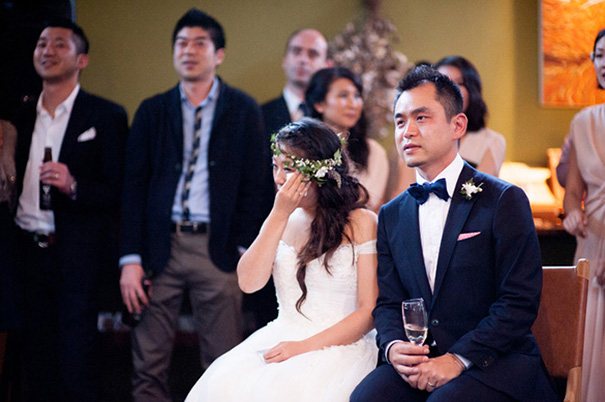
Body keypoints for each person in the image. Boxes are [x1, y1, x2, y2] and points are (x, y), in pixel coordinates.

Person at [351, 66, 558, 402]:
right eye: (400, 121)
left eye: (421, 118)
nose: (407, 131)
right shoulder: (391, 215)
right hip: (423, 359)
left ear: (457, 125)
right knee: (367, 397)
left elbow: (518, 301)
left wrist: (458, 359)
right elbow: (389, 301)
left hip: (495, 360)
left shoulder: (503, 200)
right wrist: (393, 347)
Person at [118, 9, 268, 401]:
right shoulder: (152, 110)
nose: (189, 51)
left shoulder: (243, 109)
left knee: (222, 364)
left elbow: (256, 185)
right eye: (181, 43)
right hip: (158, 247)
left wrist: (242, 247)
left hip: (218, 248)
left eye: (200, 43)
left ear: (219, 54)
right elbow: (133, 187)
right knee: (147, 364)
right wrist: (130, 258)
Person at [185, 118, 379, 401]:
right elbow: (249, 283)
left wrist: (303, 347)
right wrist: (278, 215)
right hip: (282, 335)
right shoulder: (283, 218)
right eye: (275, 166)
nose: (278, 178)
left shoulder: (362, 222)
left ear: (320, 171)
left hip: (342, 348)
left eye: (288, 168)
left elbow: (369, 311)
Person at [11, 19, 128, 401]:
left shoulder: (105, 115)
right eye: (42, 43)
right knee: (34, 358)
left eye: (60, 44)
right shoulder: (19, 115)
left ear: (82, 60)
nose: (47, 50)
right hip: (24, 252)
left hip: (77, 255)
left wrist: (73, 185)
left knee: (77, 360)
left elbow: (118, 190)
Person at [562, 28, 605, 402]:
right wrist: (572, 213)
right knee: (589, 345)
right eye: (600, 55)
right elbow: (573, 190)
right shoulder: (583, 122)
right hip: (592, 240)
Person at [306, 67, 389, 213]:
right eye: (343, 96)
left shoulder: (374, 152)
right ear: (319, 104)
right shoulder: (304, 149)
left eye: (357, 96)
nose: (353, 104)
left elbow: (377, 208)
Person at [435, 56, 506, 177]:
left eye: (459, 83)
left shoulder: (492, 141)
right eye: (443, 84)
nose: (450, 91)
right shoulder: (418, 137)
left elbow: (481, 187)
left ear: (472, 91)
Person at [262, 29, 331, 137]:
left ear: (327, 65)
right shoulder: (260, 115)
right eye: (296, 51)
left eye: (313, 54)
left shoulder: (333, 116)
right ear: (284, 60)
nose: (303, 60)